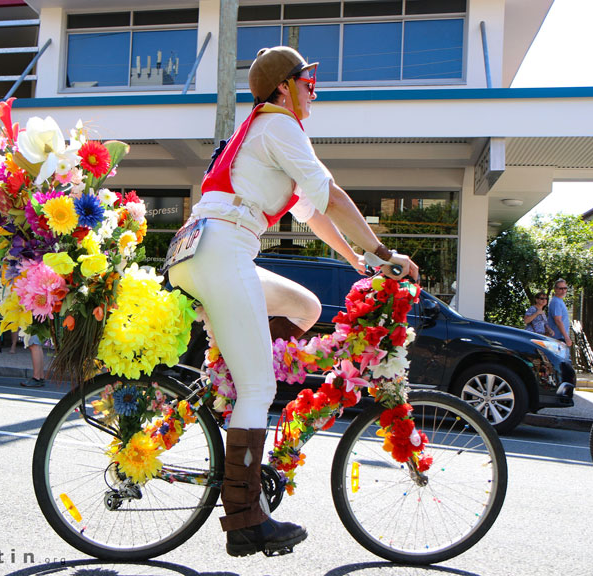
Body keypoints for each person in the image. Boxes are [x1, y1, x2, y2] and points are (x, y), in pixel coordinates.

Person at [167, 46, 418, 558]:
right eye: (310, 79)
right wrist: (385, 253)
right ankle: (245, 520)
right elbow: (336, 197)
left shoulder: (263, 130)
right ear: (284, 85)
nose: (314, 89)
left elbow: (315, 211)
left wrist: (357, 260)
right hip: (223, 248)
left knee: (303, 307)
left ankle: (242, 396)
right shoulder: (280, 126)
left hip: (211, 246)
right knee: (259, 387)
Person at [548, 279, 572, 351]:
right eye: (561, 288)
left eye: (565, 288)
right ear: (555, 289)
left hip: (561, 338)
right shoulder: (556, 302)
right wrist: (566, 337)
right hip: (558, 339)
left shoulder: (560, 301)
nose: (563, 291)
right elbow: (558, 320)